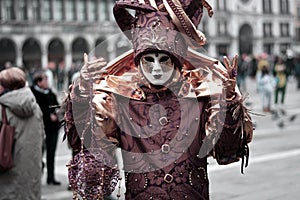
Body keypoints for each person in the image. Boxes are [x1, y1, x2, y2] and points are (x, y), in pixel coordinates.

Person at [63, 1, 253, 199]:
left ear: (176, 60)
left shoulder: (200, 98)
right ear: (138, 61)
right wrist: (82, 97)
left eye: (163, 59)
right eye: (148, 59)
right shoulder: (120, 102)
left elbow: (227, 151)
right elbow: (88, 149)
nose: (156, 68)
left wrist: (229, 102)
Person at [0, 67, 44, 200]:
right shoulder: (35, 108)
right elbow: (42, 138)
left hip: (7, 173)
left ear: (6, 86)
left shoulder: (2, 109)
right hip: (32, 173)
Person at [31, 71, 61, 185]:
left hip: (53, 128)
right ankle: (37, 177)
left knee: (51, 152)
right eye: (45, 80)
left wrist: (57, 112)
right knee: (38, 154)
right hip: (40, 128)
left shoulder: (50, 93)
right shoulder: (33, 93)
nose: (47, 82)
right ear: (39, 82)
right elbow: (36, 109)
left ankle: (51, 177)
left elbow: (56, 105)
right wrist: (48, 115)